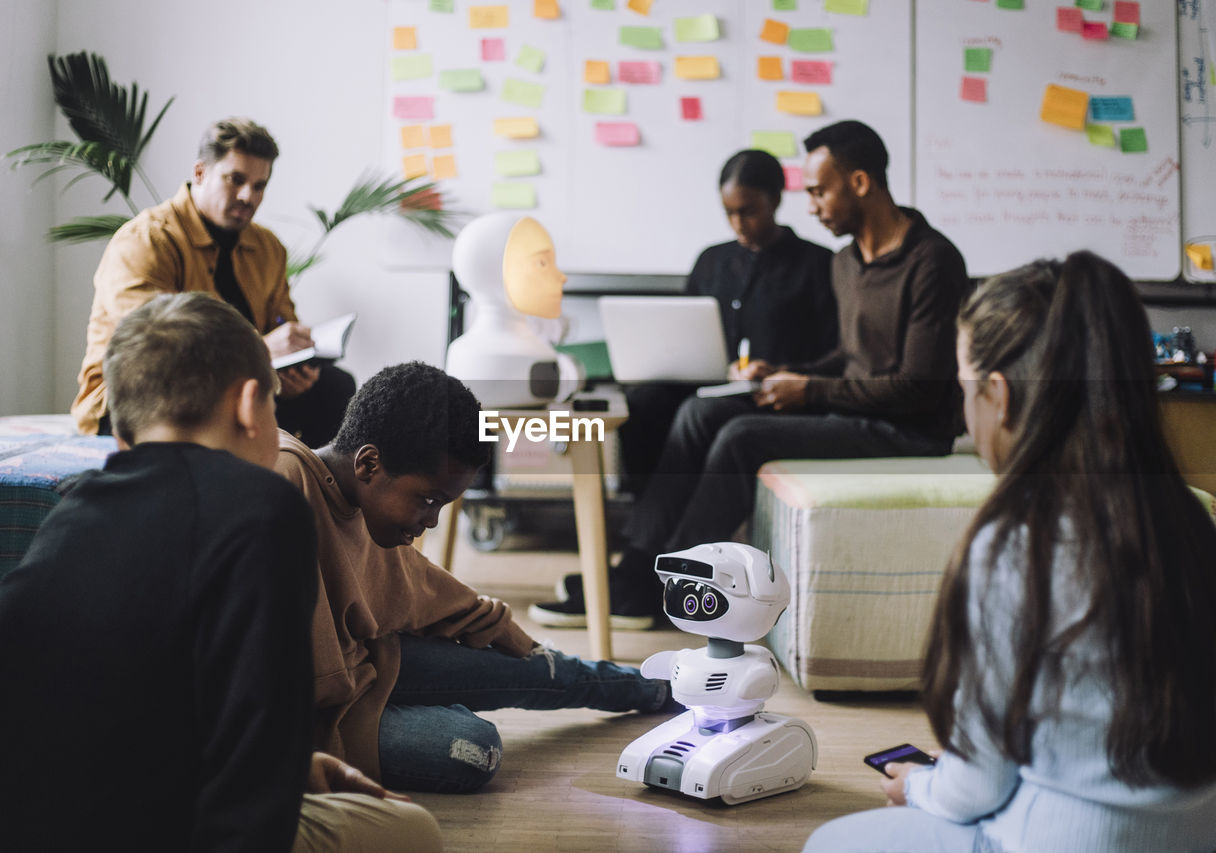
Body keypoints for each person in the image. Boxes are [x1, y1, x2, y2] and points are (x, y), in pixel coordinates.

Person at [805, 252, 1216, 853]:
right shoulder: (1186, 522)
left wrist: (921, 786)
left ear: (999, 395)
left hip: (1063, 841)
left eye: (966, 386)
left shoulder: (1018, 541)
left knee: (831, 844)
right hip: (1195, 836)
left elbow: (978, 792)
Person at [0, 293, 440, 852]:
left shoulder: (69, 513)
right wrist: (283, 782)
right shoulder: (264, 506)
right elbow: (259, 725)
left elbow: (126, 702)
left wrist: (299, 772)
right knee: (414, 831)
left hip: (33, 819)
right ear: (248, 403)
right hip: (167, 828)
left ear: (123, 435)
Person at [531, 120, 969, 629]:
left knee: (741, 436)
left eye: (819, 191)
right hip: (857, 402)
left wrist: (809, 390)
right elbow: (849, 358)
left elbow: (918, 388)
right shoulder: (849, 261)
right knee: (700, 412)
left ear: (860, 183)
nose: (812, 206)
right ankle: (636, 565)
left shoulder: (932, 261)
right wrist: (784, 373)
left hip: (907, 427)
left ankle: (667, 584)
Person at [273, 361, 679, 794]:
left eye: (442, 505)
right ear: (369, 464)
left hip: (372, 664)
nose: (431, 521)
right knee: (475, 747)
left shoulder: (363, 507)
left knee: (536, 666)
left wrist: (513, 641)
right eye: (428, 500)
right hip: (310, 719)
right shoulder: (281, 484)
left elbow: (421, 585)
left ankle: (665, 691)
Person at [72, 116, 356, 447]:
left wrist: (296, 368)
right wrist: (259, 349)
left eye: (259, 185)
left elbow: (282, 321)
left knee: (334, 387)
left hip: (235, 382)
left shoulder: (268, 248)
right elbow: (154, 346)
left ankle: (312, 494)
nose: (248, 196)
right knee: (204, 400)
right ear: (199, 173)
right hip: (145, 390)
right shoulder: (144, 240)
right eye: (235, 180)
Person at [618, 149, 838, 497]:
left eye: (749, 211)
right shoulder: (711, 261)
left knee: (701, 413)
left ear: (775, 200)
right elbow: (681, 335)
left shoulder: (818, 265)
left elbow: (835, 352)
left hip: (768, 394)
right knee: (644, 402)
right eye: (729, 213)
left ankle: (658, 529)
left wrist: (780, 370)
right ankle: (646, 507)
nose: (738, 223)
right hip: (708, 383)